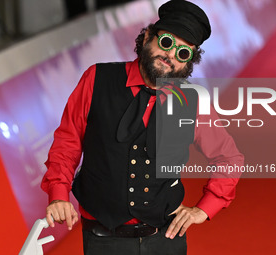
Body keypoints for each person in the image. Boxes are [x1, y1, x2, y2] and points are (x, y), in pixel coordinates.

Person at [41, 1, 244, 254]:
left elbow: (229, 158)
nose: (171, 56)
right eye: (167, 42)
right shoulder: (96, 79)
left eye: (183, 53)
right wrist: (59, 194)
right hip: (103, 239)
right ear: (148, 36)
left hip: (166, 239)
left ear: (189, 63)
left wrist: (205, 208)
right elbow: (67, 143)